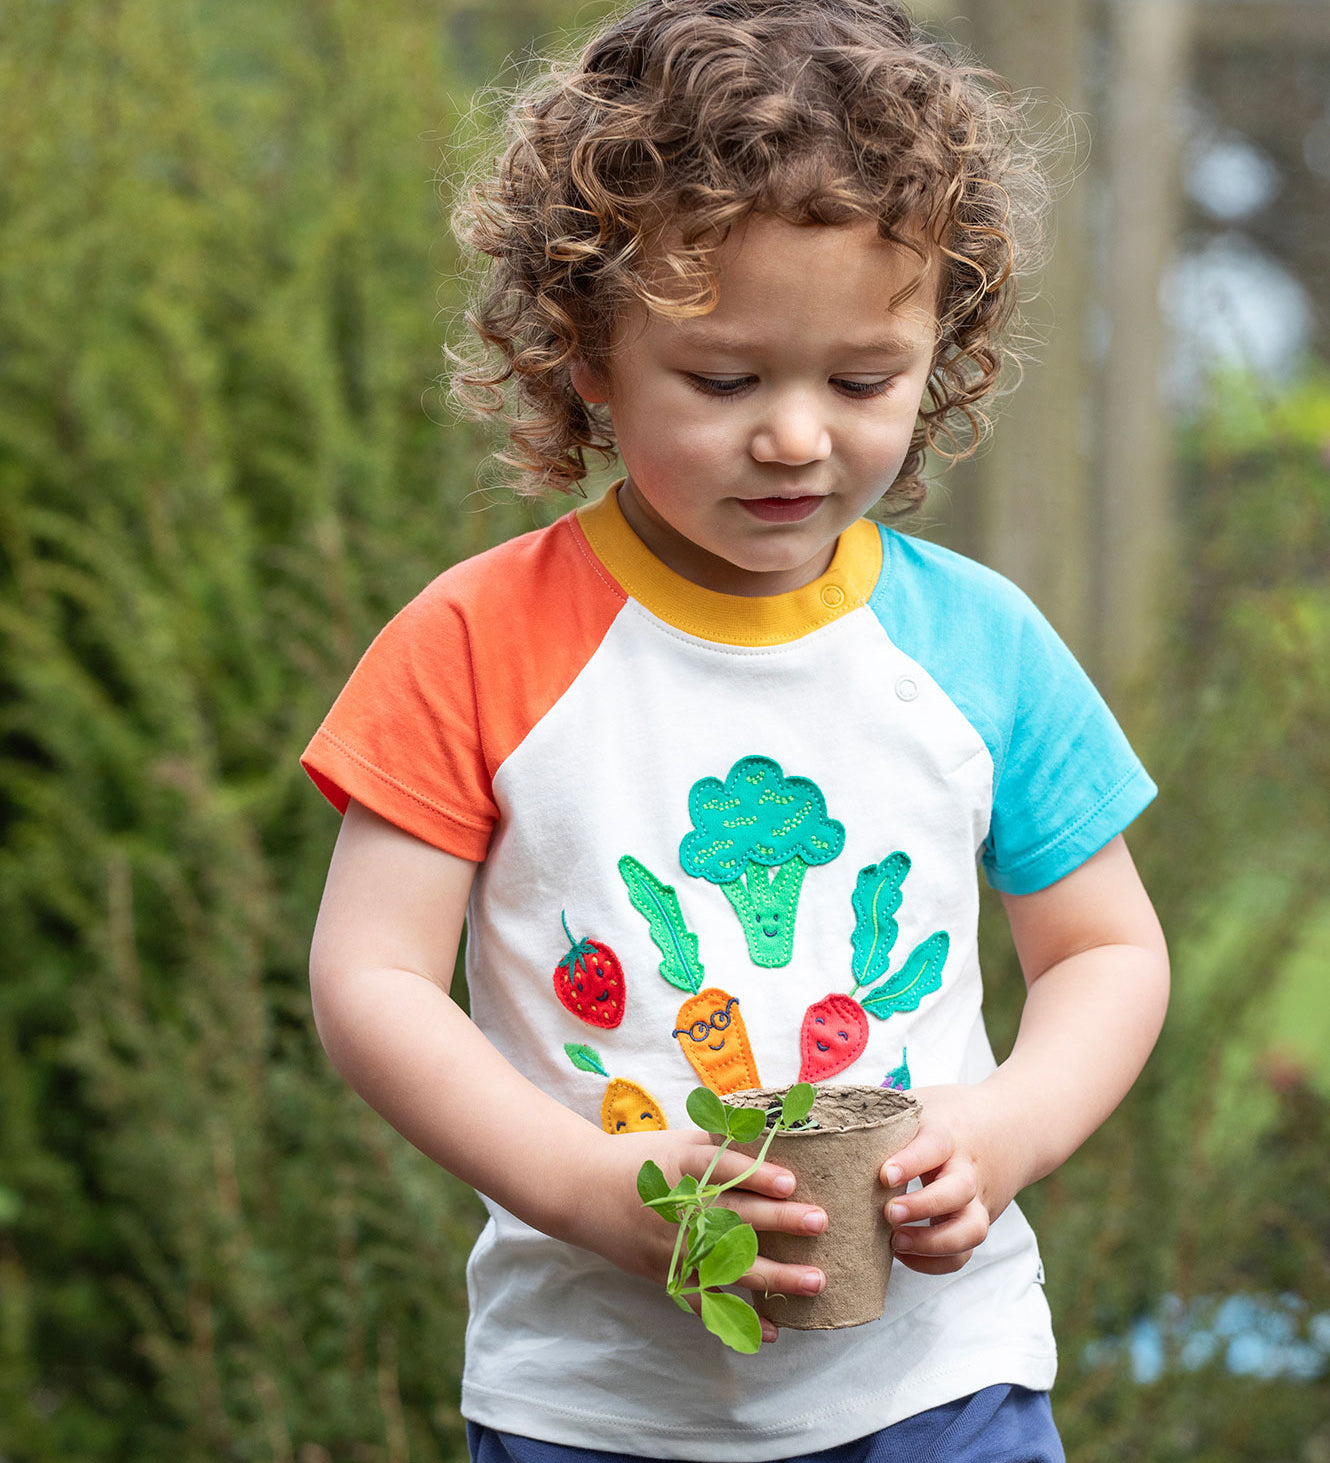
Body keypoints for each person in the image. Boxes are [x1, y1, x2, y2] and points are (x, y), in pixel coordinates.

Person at [302, 2, 1170, 1459]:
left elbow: (1105, 950)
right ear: (585, 354)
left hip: (936, 1388)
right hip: (592, 1407)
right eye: (723, 380)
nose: (794, 437)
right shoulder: (474, 641)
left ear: (935, 348)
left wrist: (1010, 1132)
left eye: (860, 380)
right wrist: (592, 1190)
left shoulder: (979, 645)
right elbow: (371, 981)